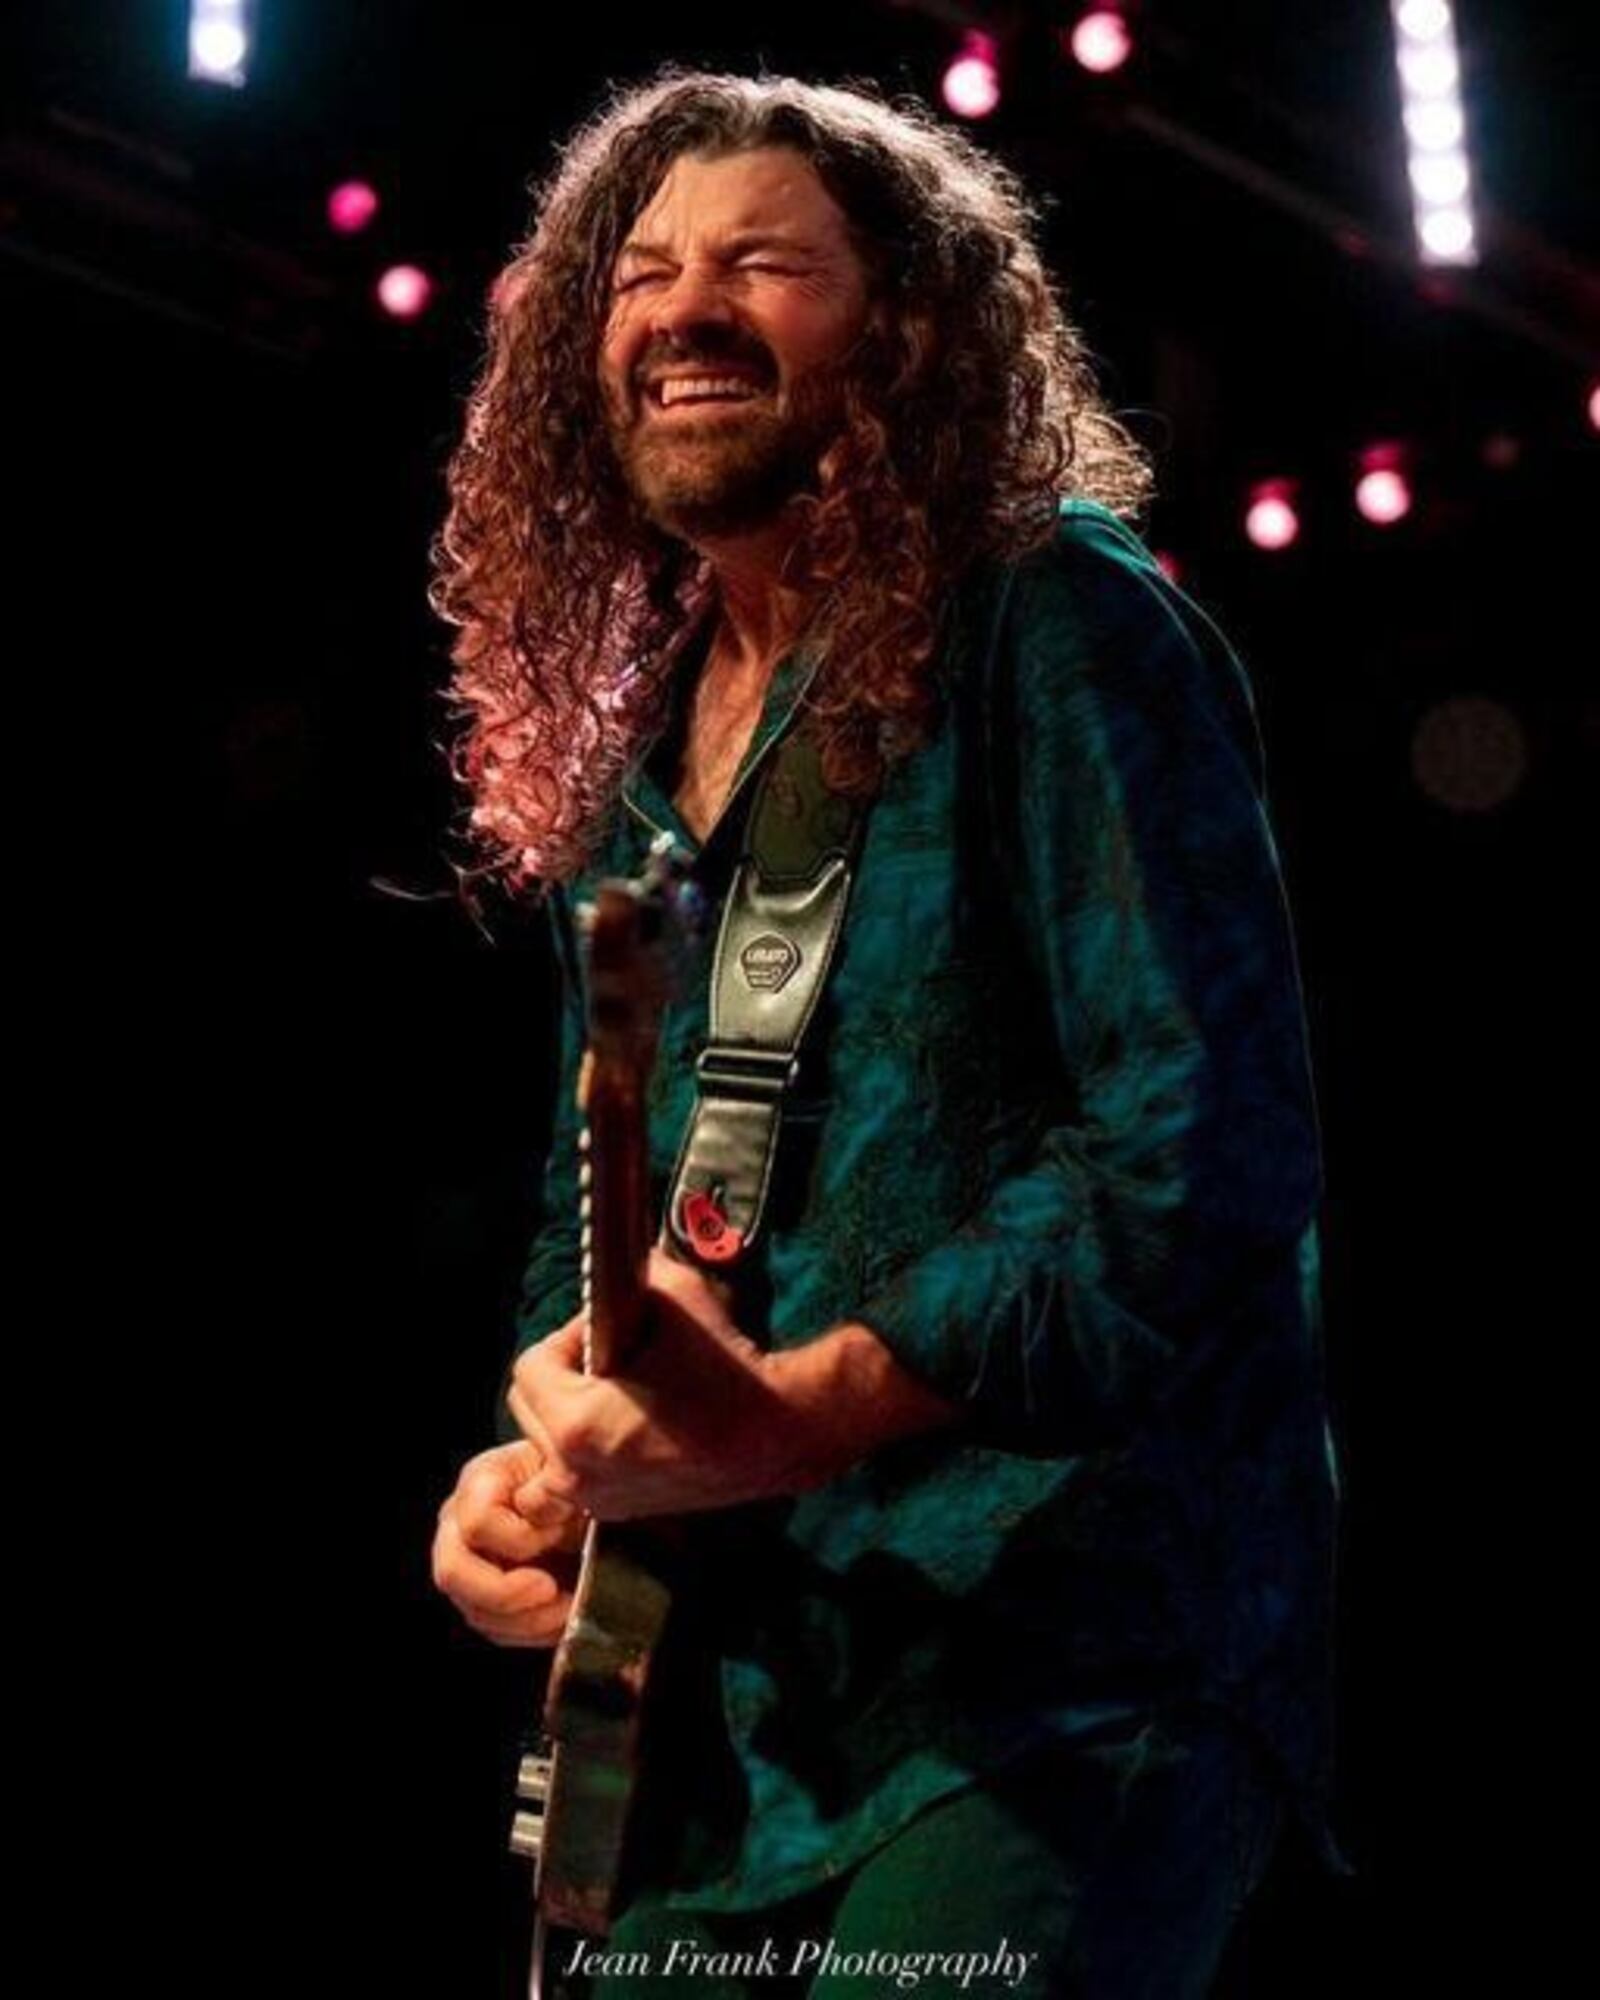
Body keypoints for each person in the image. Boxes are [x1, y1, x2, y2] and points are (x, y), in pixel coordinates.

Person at [429, 70, 1342, 1997]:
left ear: (907, 331)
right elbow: (592, 1204)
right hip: (735, 1723)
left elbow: (1197, 1153)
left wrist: (803, 1409)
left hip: (1056, 1679)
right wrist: (542, 1453)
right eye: (643, 270)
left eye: (763, 263)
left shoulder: (1062, 623)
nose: (683, 305)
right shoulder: (641, 754)